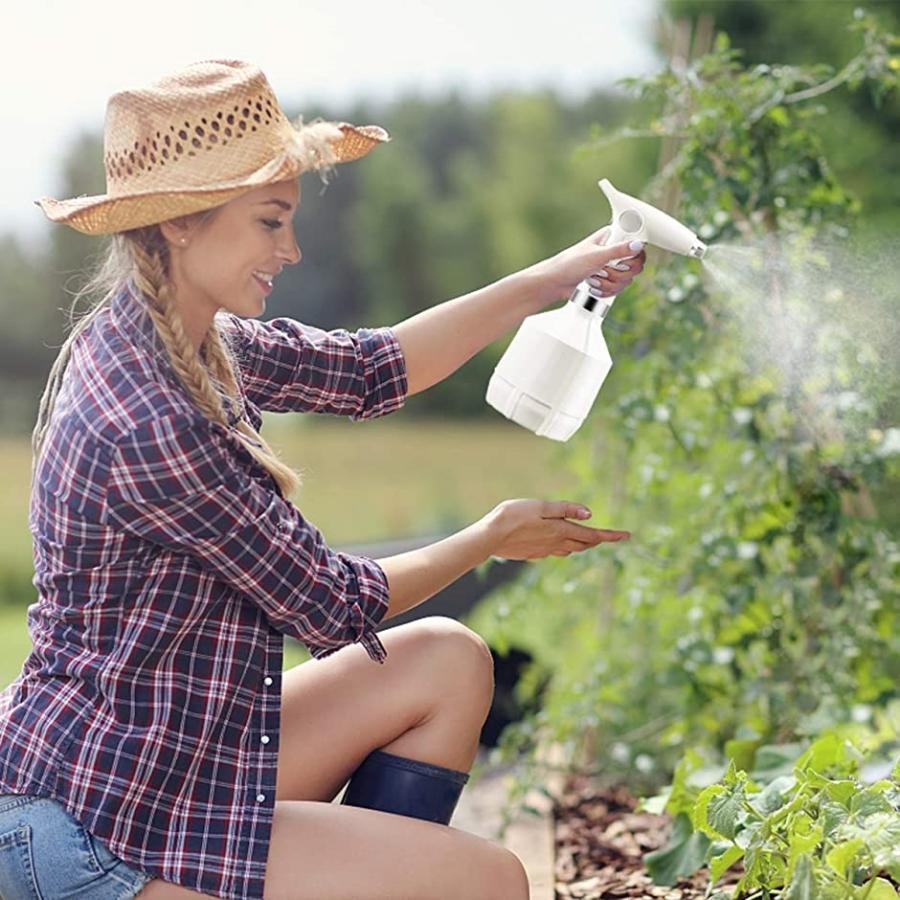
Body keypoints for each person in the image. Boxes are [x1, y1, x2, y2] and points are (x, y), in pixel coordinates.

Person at [0, 59, 645, 900]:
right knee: (487, 882)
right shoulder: (149, 417)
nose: (291, 250)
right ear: (183, 222)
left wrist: (554, 276)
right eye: (271, 222)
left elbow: (373, 368)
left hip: (176, 764)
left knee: (447, 662)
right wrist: (490, 539)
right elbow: (335, 607)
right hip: (100, 831)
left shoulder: (188, 338)